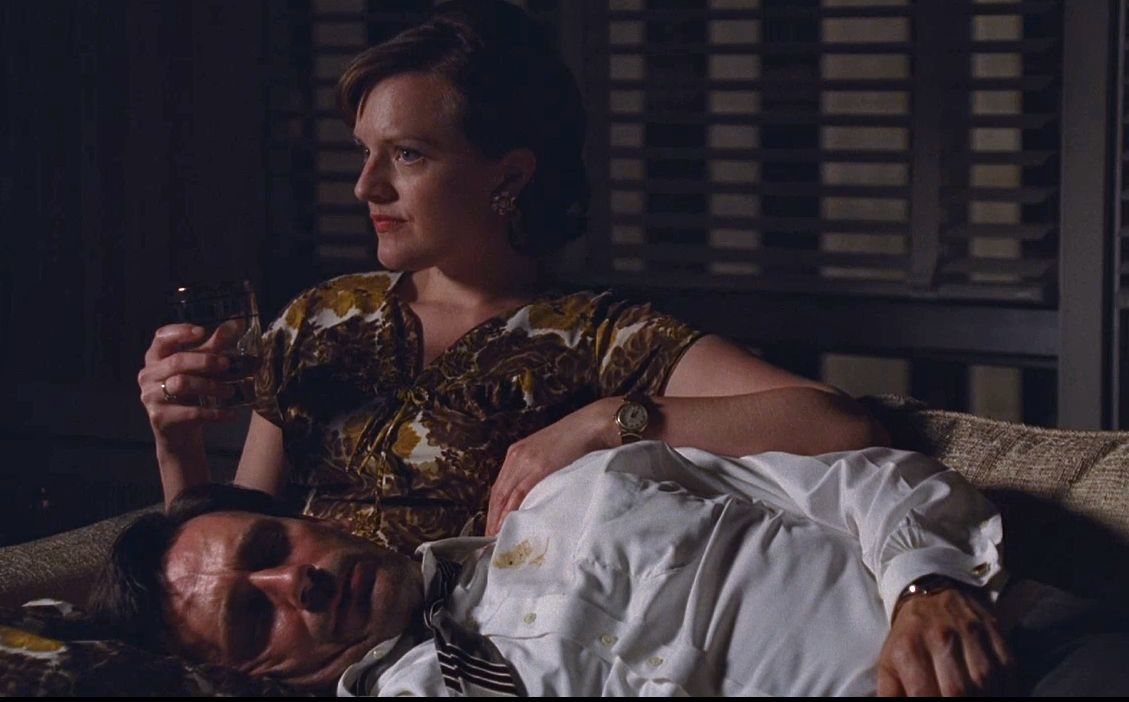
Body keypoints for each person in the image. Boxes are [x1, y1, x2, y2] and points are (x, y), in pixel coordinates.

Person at [135, 0, 888, 556]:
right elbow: (228, 552)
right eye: (364, 152)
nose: (366, 187)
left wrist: (605, 421)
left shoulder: (602, 337)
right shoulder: (320, 316)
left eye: (407, 155)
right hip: (286, 635)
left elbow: (839, 425)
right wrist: (177, 444)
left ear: (509, 175)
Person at [89, 442, 1129, 696]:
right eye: (252, 617)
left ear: (310, 521)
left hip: (1026, 662)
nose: (295, 585)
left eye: (271, 551)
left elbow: (865, 478)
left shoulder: (586, 487)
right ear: (251, 674)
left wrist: (926, 587)